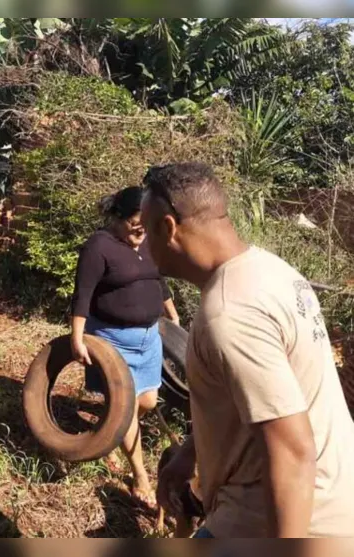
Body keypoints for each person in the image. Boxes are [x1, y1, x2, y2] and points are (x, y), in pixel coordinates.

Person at [142, 162, 354, 538]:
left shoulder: (229, 313)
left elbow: (291, 449)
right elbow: (259, 402)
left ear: (169, 228)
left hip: (284, 523)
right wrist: (189, 456)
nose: (143, 244)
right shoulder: (272, 271)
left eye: (146, 231)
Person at [70, 185, 180, 508]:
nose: (140, 230)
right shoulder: (98, 247)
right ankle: (141, 477)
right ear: (117, 218)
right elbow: (83, 294)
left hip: (149, 338)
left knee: (148, 399)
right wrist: (77, 337)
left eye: (144, 224)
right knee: (128, 407)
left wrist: (171, 316)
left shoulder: (146, 242)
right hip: (113, 340)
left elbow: (158, 280)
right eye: (134, 223)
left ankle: (112, 429)